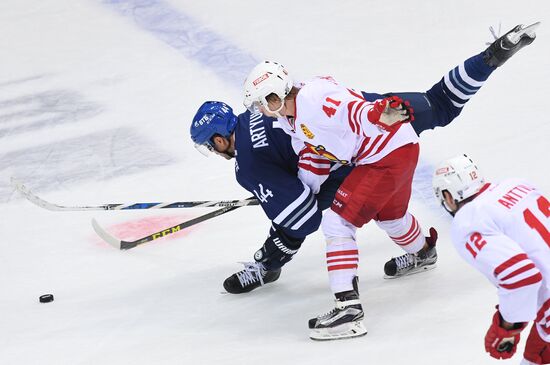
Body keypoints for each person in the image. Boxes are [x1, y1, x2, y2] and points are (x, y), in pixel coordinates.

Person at [241, 22, 538, 340]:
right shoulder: (290, 118)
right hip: (397, 150)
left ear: (281, 90)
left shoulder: (314, 98)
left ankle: (348, 310)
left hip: (383, 156)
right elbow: (312, 157)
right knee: (390, 215)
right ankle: (424, 253)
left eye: (266, 100)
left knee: (337, 224)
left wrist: (377, 114)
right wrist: (303, 191)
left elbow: (353, 110)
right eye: (260, 104)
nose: (264, 109)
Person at [432, 154, 549, 364]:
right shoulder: (517, 185)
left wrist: (506, 326)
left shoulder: (468, 220)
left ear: (449, 196)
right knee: (535, 357)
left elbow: (521, 277)